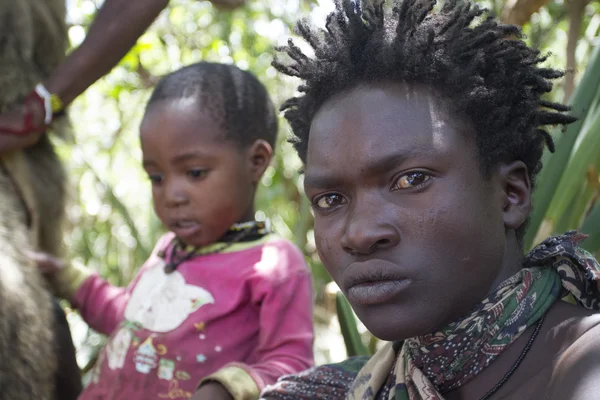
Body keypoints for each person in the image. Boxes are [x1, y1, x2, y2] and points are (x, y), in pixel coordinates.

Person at [260, 0, 600, 398]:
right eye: (330, 199)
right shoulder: (340, 388)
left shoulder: (581, 368)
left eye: (411, 179)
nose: (359, 234)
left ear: (511, 195)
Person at [34, 61, 315, 400]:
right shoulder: (169, 248)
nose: (172, 196)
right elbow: (130, 321)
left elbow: (292, 363)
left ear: (255, 161)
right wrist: (68, 279)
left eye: (195, 173)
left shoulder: (274, 265)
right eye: (156, 177)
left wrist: (231, 387)